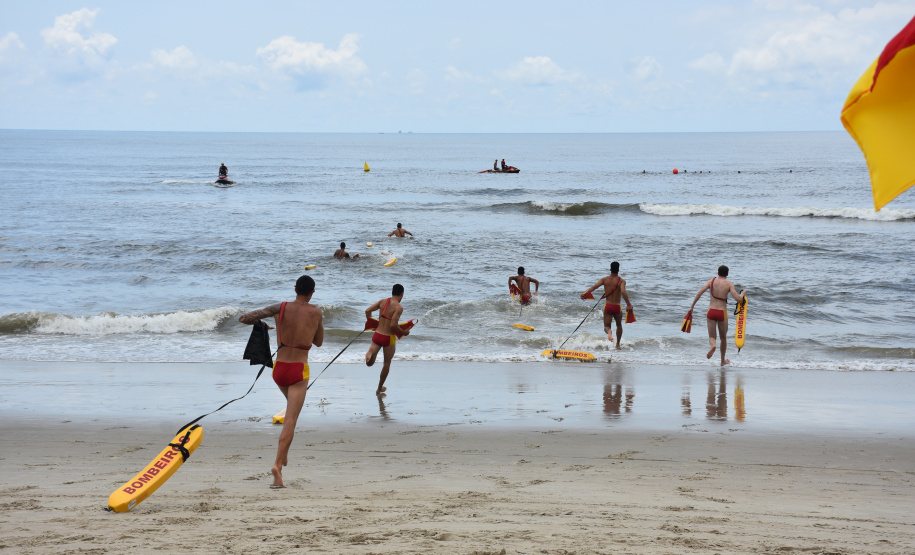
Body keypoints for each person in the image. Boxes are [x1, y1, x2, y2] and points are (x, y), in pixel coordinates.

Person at [238, 275, 323, 489]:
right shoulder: (316, 312)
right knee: (291, 420)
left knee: (291, 413)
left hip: (279, 370)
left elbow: (244, 318)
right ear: (312, 292)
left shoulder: (280, 307)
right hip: (298, 371)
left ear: (295, 289)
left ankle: (283, 455)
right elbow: (319, 342)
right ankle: (277, 465)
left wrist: (262, 323)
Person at [688, 265, 746, 366]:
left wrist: (692, 307)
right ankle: (722, 361)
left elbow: (699, 293)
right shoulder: (729, 284)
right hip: (721, 313)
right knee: (723, 338)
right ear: (727, 274)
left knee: (711, 336)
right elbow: (738, 299)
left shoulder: (711, 281)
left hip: (711, 311)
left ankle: (713, 345)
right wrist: (743, 294)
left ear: (718, 272)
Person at [365, 284, 410, 395]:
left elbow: (367, 311)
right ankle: (379, 387)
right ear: (402, 294)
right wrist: (404, 332)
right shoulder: (398, 307)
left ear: (392, 292)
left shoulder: (382, 302)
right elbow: (393, 326)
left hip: (377, 334)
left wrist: (372, 324)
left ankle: (370, 352)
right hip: (388, 338)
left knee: (369, 364)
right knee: (386, 363)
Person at [581, 261, 632, 349]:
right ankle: (618, 345)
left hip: (608, 306)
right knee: (619, 325)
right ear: (618, 270)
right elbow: (623, 292)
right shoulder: (622, 281)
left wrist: (585, 294)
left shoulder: (604, 280)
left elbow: (594, 287)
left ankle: (609, 332)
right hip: (617, 306)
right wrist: (628, 304)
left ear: (610, 269)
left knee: (606, 326)